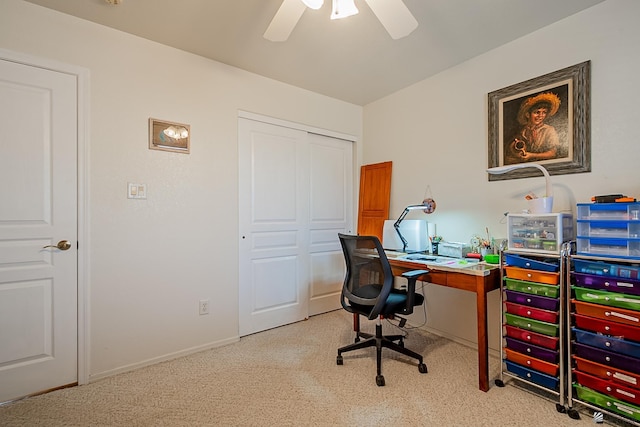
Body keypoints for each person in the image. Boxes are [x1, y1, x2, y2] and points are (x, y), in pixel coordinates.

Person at [504, 92, 561, 165]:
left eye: (544, 112)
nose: (540, 116)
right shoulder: (523, 131)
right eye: (537, 112)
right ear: (528, 114)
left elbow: (552, 153)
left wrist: (531, 155)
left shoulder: (549, 130)